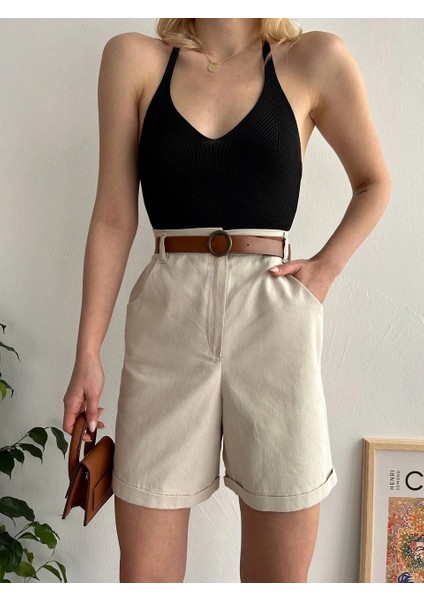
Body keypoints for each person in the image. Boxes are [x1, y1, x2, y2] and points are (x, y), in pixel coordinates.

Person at [62, 18, 392, 583]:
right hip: (168, 315)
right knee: (144, 578)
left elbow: (374, 182)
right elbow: (114, 216)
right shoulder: (133, 59)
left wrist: (325, 270)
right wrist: (86, 352)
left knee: (278, 580)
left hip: (274, 316)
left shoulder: (312, 58)